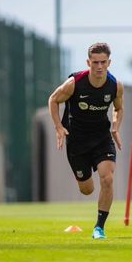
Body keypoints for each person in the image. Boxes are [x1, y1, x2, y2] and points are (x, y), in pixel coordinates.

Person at [48, 42, 123, 239]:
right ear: (88, 62)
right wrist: (58, 127)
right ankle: (82, 173)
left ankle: (99, 227)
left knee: (107, 178)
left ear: (109, 62)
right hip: (77, 141)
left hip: (102, 138)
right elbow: (53, 100)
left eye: (103, 62)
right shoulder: (74, 83)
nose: (99, 66)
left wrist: (115, 126)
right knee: (87, 190)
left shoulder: (115, 85)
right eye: (95, 62)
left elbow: (118, 107)